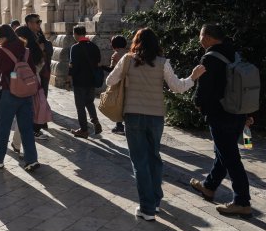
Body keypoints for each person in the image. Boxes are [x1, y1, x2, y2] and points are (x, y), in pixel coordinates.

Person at [106, 28, 205, 220]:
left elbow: (110, 81)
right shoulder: (163, 63)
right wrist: (193, 77)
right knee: (154, 158)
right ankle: (156, 202)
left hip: (133, 115)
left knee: (139, 162)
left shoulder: (127, 59)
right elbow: (177, 87)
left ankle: (147, 208)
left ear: (136, 42)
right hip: (156, 117)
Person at [190, 24, 253, 217]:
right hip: (238, 112)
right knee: (223, 152)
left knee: (231, 158)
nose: (199, 40)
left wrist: (197, 103)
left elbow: (204, 88)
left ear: (208, 37)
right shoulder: (235, 54)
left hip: (220, 113)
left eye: (201, 36)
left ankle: (242, 201)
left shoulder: (210, 58)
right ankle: (209, 186)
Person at [0, 24, 41, 172]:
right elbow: (32, 69)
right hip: (26, 93)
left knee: (3, 127)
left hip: (9, 93)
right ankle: (31, 159)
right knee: (26, 128)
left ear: (4, 37)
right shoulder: (25, 50)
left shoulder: (2, 51)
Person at [68, 25, 103, 138]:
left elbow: (73, 66)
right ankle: (95, 121)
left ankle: (83, 130)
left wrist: (69, 78)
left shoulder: (75, 47)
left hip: (79, 81)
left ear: (76, 34)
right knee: (89, 102)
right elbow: (98, 61)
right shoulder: (94, 46)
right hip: (91, 80)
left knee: (80, 106)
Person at [109, 35, 128, 135]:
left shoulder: (115, 55)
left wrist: (100, 67)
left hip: (119, 82)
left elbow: (112, 70)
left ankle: (119, 126)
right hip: (129, 81)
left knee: (118, 103)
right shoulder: (130, 53)